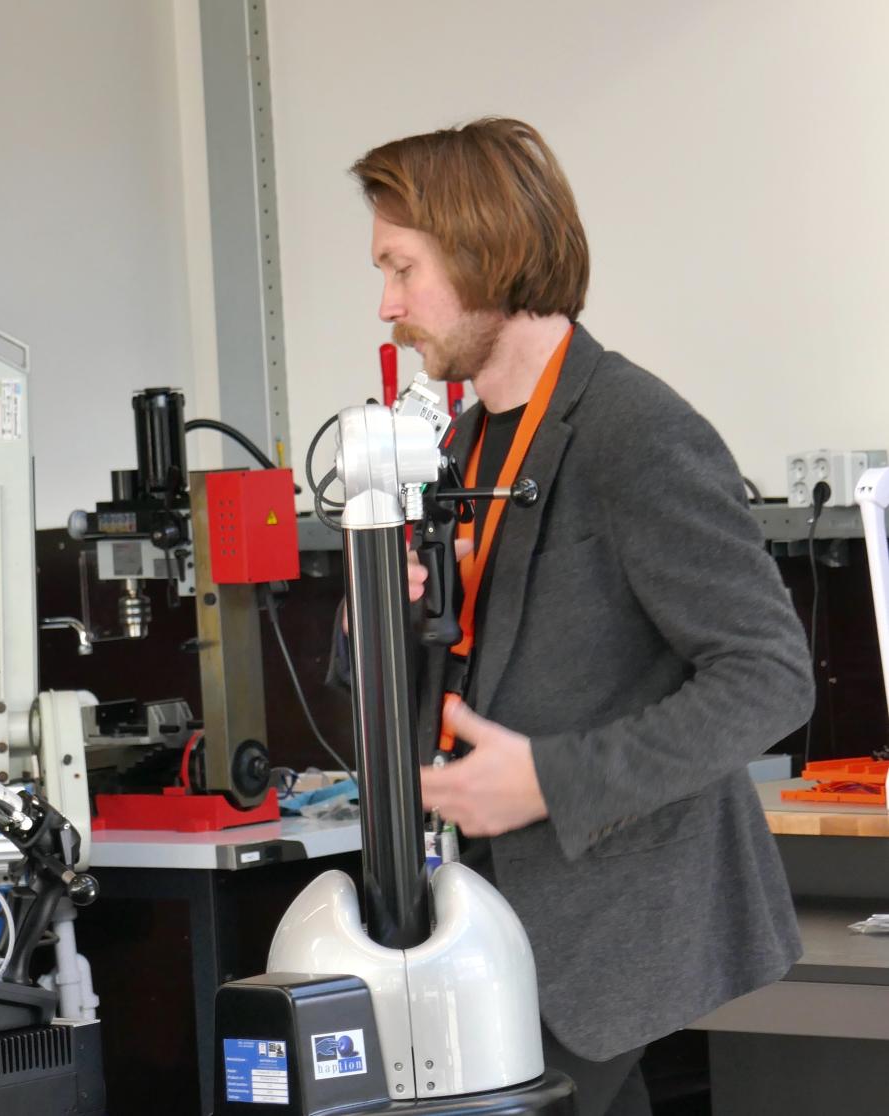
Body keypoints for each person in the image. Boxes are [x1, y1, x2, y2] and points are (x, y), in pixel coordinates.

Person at [347, 119, 815, 1116]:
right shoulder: (458, 447)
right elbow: (429, 670)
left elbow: (771, 677)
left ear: (482, 250)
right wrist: (375, 615)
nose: (387, 306)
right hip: (484, 917)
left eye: (403, 268)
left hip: (602, 931)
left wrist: (549, 781)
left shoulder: (636, 432)